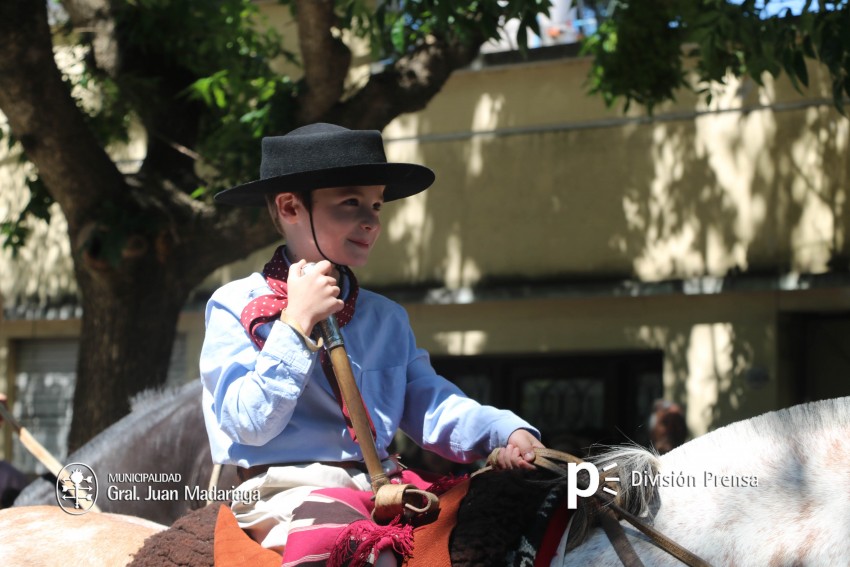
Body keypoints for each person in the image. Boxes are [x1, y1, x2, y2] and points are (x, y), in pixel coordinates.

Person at [200, 123, 544, 565]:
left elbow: (431, 403)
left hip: (381, 488)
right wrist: (297, 324)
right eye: (350, 203)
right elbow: (247, 423)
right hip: (283, 492)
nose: (371, 222)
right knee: (369, 558)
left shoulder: (385, 317)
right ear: (289, 206)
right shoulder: (233, 305)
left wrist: (503, 430)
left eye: (377, 205)